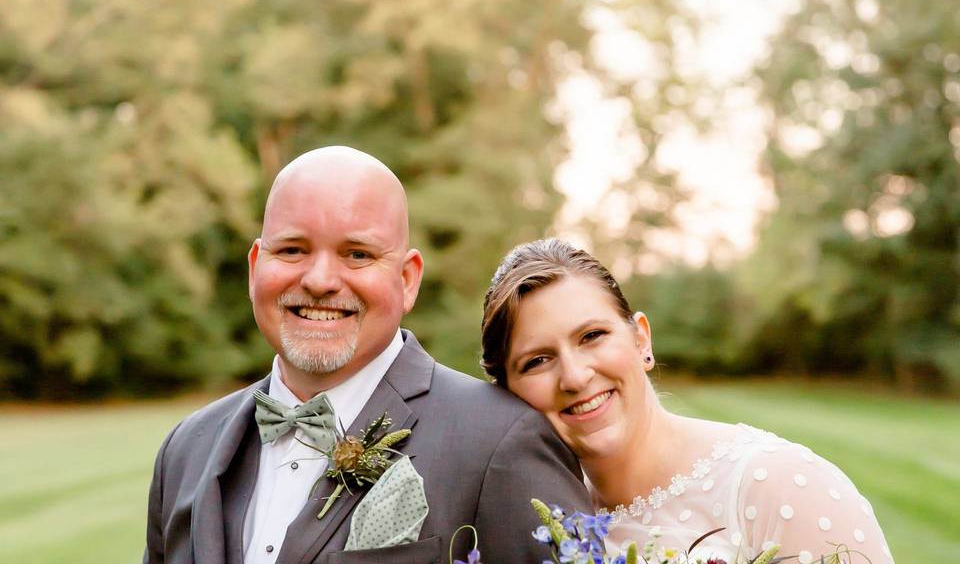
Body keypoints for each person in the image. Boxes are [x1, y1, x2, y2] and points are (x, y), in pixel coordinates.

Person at [143, 148, 592, 564]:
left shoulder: (502, 442)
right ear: (255, 266)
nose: (319, 280)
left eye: (357, 254)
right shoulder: (185, 450)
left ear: (408, 280)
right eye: (292, 250)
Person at [480, 238, 895, 564]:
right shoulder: (538, 528)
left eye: (592, 336)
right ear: (506, 391)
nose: (574, 376)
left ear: (641, 338)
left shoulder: (779, 487)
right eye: (537, 361)